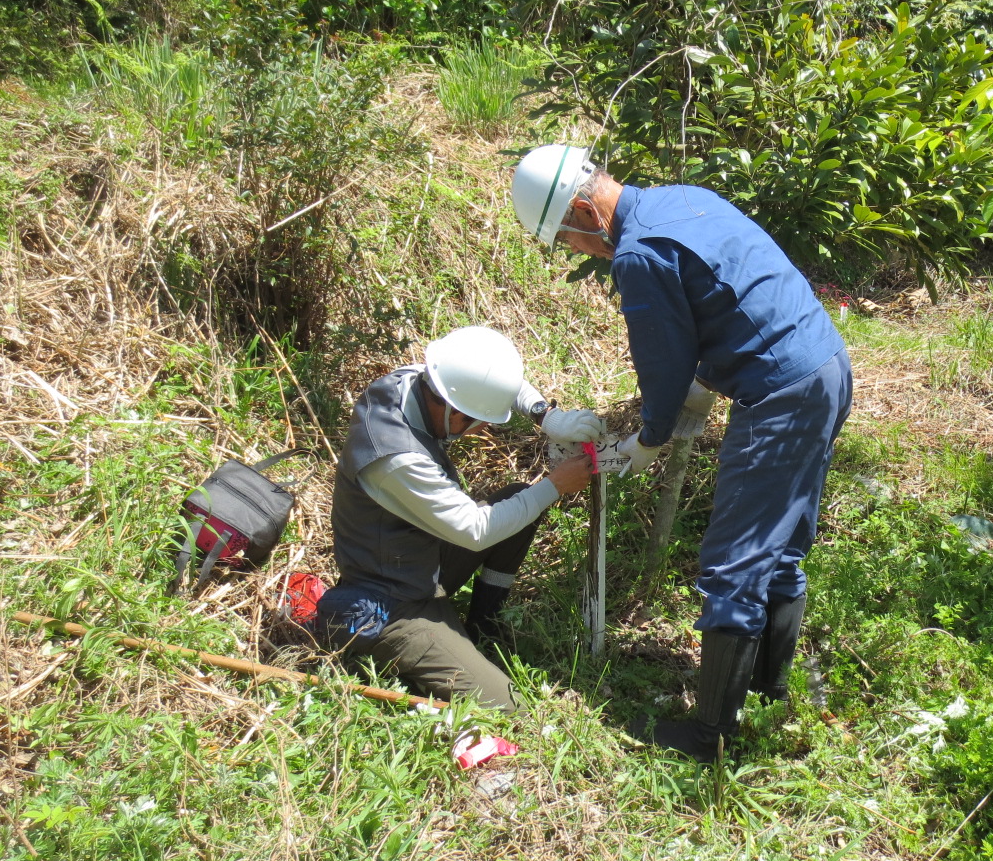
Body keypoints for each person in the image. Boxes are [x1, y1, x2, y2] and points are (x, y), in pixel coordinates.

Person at [510, 145, 854, 760]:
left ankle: (710, 737)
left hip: (780, 395)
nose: (578, 252)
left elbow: (662, 362)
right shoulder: (682, 198)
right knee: (781, 548)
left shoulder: (639, 255)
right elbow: (734, 294)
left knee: (733, 564)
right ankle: (770, 694)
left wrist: (650, 435)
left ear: (585, 212)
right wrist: (710, 376)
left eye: (569, 241)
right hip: (824, 364)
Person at [317, 325, 599, 712]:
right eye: (477, 421)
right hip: (391, 603)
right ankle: (425, 642)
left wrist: (545, 416)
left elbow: (489, 381)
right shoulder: (395, 458)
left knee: (518, 500)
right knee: (513, 709)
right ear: (452, 408)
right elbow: (476, 531)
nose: (481, 429)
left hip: (420, 561)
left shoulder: (417, 381)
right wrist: (554, 486)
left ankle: (484, 623)